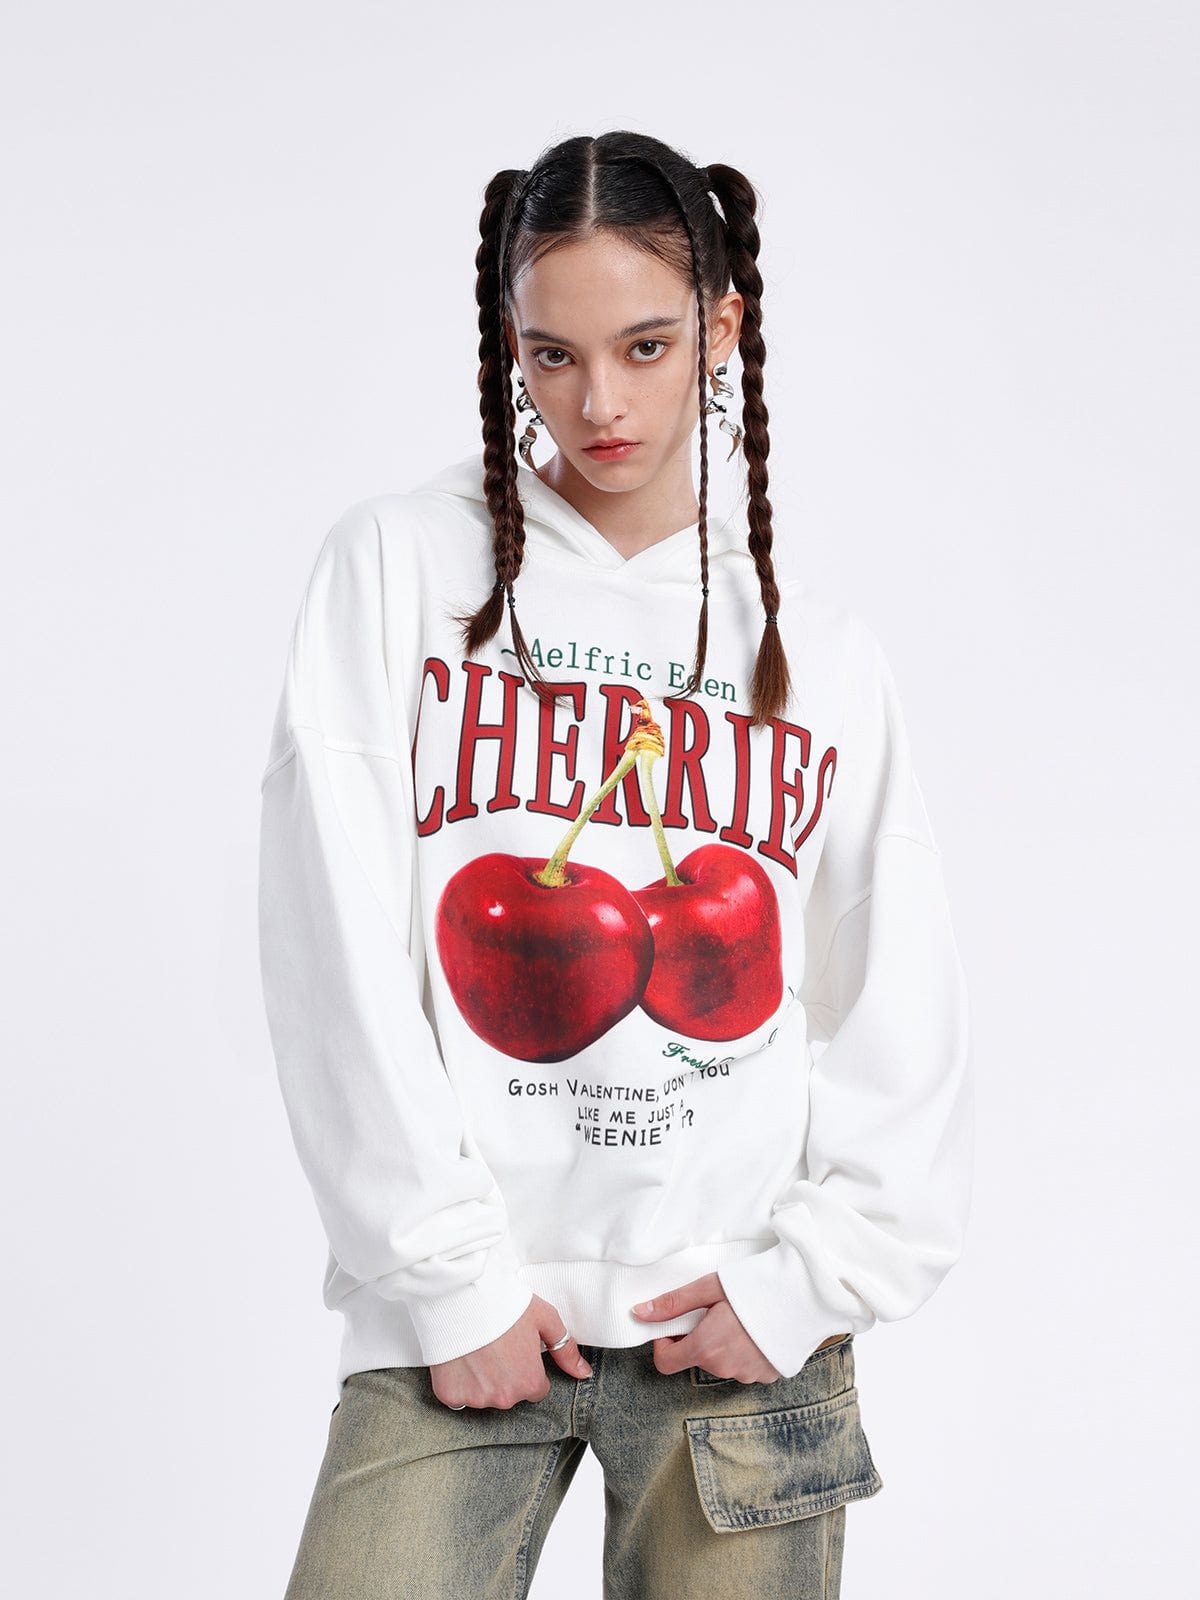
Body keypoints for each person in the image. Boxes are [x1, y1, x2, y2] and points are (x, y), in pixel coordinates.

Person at [257, 129, 974, 1600]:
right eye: (553, 354)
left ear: (721, 326)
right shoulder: (401, 569)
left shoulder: (818, 653)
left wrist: (808, 1283)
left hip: (735, 1328)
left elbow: (901, 999)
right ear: (508, 348)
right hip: (459, 1325)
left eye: (645, 346)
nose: (599, 403)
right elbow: (331, 934)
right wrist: (448, 1277)